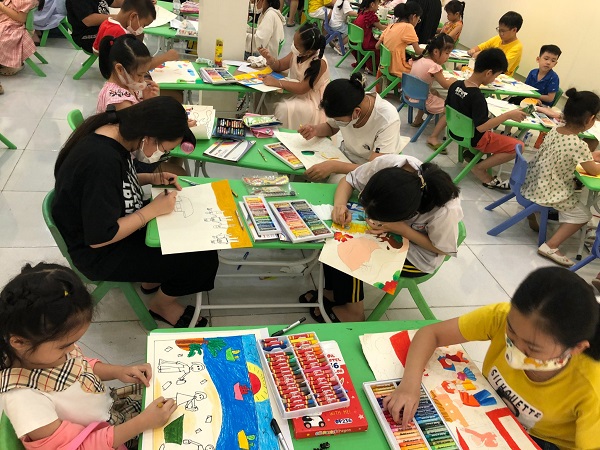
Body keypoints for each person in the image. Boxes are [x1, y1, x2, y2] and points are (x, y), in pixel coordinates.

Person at [383, 267, 600, 450]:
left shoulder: (591, 388)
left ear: (576, 348)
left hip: (543, 441)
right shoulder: (501, 317)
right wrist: (409, 386)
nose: (515, 348)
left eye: (532, 348)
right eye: (511, 333)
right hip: (490, 413)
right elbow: (431, 333)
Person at [52, 97, 219, 328]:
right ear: (149, 137)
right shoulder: (101, 160)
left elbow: (117, 182)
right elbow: (100, 237)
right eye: (164, 150)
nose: (161, 155)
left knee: (188, 235)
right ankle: (162, 305)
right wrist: (151, 210)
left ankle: (151, 280)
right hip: (100, 253)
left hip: (115, 227)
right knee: (202, 258)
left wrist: (151, 177)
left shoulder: (115, 134)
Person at [0, 262, 177, 449]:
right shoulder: (25, 401)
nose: (72, 349)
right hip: (102, 440)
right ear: (19, 342)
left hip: (110, 410)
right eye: (64, 346)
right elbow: (78, 446)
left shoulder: (46, 353)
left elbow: (81, 366)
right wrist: (142, 423)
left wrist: (119, 371)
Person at [300, 154, 462, 322]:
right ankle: (333, 293)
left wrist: (402, 230)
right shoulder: (389, 166)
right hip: (393, 230)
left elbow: (443, 249)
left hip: (420, 255)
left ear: (409, 213)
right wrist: (340, 205)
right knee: (337, 236)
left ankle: (353, 312)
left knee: (353, 251)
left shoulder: (445, 209)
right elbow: (349, 180)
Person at [521, 89, 600, 267]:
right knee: (583, 214)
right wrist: (593, 159)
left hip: (533, 182)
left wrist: (591, 156)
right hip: (549, 191)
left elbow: (570, 157)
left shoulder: (556, 130)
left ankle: (534, 214)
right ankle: (551, 245)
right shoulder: (578, 144)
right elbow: (593, 170)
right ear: (590, 119)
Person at [445, 48, 526, 189]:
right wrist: (508, 115)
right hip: (475, 139)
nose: (495, 79)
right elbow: (482, 127)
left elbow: (446, 108)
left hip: (454, 132)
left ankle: (470, 154)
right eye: (496, 75)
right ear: (488, 73)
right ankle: (480, 168)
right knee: (518, 146)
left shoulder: (455, 85)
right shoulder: (477, 97)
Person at [299, 73, 402, 182]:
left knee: (336, 181)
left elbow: (374, 169)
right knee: (306, 167)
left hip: (368, 169)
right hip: (344, 156)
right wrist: (314, 130)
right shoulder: (347, 100)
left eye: (339, 120)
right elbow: (331, 127)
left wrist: (334, 166)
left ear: (357, 112)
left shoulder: (387, 119)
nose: (338, 122)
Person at [258, 22, 329, 129]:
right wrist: (270, 58)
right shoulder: (298, 52)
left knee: (283, 108)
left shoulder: (319, 62)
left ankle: (277, 134)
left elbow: (302, 88)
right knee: (265, 95)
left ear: (308, 52)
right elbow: (280, 65)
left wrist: (277, 83)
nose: (293, 47)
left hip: (311, 100)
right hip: (295, 90)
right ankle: (259, 126)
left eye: (296, 46)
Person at [409, 33, 456, 149]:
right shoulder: (434, 67)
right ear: (436, 52)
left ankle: (418, 119)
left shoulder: (420, 60)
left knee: (434, 91)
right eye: (447, 53)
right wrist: (454, 81)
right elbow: (445, 85)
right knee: (451, 109)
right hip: (422, 100)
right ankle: (433, 137)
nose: (448, 57)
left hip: (410, 95)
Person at [467, 11, 523, 77]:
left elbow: (500, 66)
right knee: (461, 68)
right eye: (499, 30)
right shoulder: (498, 38)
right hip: (486, 71)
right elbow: (483, 46)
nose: (500, 33)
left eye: (503, 31)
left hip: (499, 76)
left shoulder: (517, 47)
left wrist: (481, 55)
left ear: (514, 30)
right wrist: (473, 50)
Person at [376, 2, 422, 77]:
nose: (417, 22)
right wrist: (429, 50)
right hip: (397, 68)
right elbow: (418, 51)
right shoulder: (408, 27)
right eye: (418, 19)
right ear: (414, 17)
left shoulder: (391, 26)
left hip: (384, 66)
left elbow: (377, 46)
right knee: (422, 72)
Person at [0, 0, 46, 76]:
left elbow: (21, 18)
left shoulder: (28, 1)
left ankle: (13, 64)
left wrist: (1, 6)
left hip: (13, 26)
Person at [352, 0, 386, 73]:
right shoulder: (370, 15)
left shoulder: (362, 12)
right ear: (372, 4)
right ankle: (373, 67)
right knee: (382, 46)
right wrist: (392, 26)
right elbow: (381, 27)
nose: (378, 7)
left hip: (355, 40)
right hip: (365, 42)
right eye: (377, 4)